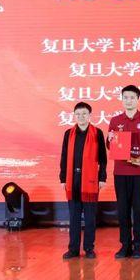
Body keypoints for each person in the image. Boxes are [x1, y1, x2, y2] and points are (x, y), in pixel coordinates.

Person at [107, 85, 140, 259]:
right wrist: (109, 139)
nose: (128, 100)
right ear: (122, 99)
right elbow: (111, 146)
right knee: (122, 210)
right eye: (125, 97)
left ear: (137, 99)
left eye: (132, 97)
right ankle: (125, 245)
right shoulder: (115, 120)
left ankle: (138, 246)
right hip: (120, 172)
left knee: (139, 210)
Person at [60, 102, 107, 259]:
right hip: (72, 179)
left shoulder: (97, 133)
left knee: (90, 218)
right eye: (78, 114)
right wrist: (62, 178)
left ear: (89, 116)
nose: (81, 117)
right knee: (74, 217)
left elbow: (103, 158)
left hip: (90, 180)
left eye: (84, 114)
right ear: (74, 116)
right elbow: (64, 156)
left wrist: (102, 177)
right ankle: (73, 249)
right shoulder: (68, 134)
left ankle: (89, 248)